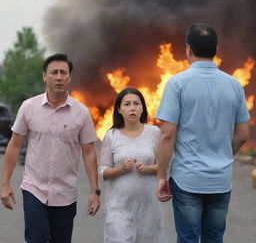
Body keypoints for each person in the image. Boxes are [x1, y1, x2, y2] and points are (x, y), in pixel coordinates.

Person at [156, 23, 250, 243]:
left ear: (188, 49)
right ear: (215, 49)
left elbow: (167, 135)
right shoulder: (234, 85)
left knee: (188, 238)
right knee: (214, 237)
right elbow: (243, 133)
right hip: (220, 179)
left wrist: (161, 175)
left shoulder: (177, 84)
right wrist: (225, 155)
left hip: (187, 178)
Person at [0, 54, 101, 243]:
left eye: (63, 73)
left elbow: (88, 151)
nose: (59, 77)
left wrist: (95, 192)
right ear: (44, 76)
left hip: (66, 193)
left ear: (70, 77)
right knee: (37, 239)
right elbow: (14, 144)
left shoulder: (81, 113)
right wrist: (4, 183)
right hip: (34, 189)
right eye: (54, 72)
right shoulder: (29, 107)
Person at [98, 87, 165, 243]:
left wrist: (148, 169)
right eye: (127, 104)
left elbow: (165, 165)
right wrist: (121, 169)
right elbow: (102, 171)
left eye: (136, 103)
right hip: (119, 206)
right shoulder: (111, 135)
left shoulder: (154, 132)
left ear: (142, 108)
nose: (132, 108)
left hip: (149, 206)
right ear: (119, 110)